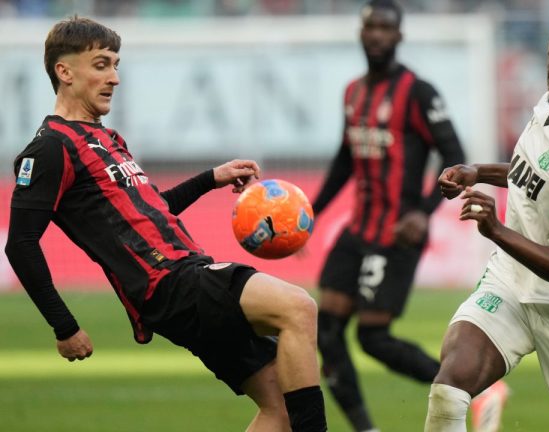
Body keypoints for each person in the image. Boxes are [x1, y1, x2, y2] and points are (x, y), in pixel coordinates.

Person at [3, 16, 326, 432]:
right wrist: (64, 325)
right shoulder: (50, 148)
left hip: (182, 277)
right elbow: (21, 243)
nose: (115, 78)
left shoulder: (108, 139)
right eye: (101, 65)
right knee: (298, 307)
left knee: (278, 409)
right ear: (64, 72)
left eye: (116, 64)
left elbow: (151, 209)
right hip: (167, 282)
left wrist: (211, 178)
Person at [425, 14, 549, 432]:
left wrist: (497, 231)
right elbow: (531, 173)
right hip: (511, 283)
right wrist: (477, 171)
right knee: (449, 388)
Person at [310, 1, 504, 431]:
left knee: (373, 338)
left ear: (399, 36)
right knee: (326, 331)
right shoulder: (353, 92)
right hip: (357, 229)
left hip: (397, 233)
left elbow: (454, 156)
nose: (377, 34)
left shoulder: (418, 92)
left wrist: (424, 211)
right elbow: (345, 159)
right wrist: (312, 213)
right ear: (361, 35)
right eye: (370, 27)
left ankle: (476, 390)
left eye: (386, 27)